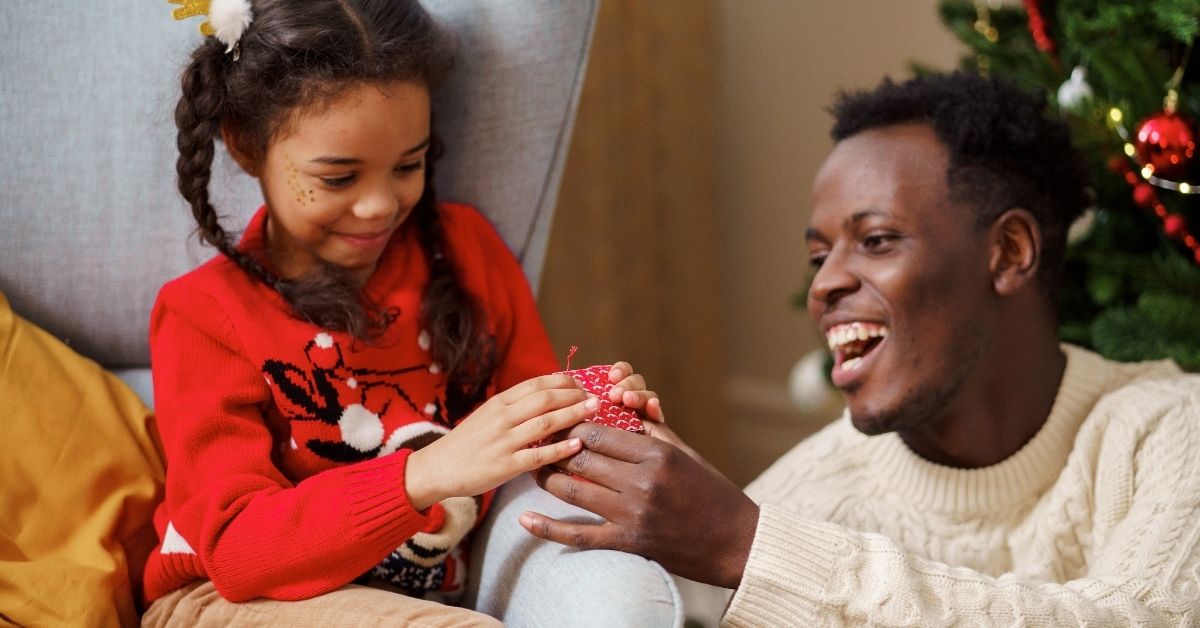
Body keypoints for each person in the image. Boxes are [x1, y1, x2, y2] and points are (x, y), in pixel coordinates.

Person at [521, 71, 1200, 626]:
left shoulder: (1171, 427)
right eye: (819, 257)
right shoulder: (803, 501)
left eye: (875, 240)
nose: (825, 285)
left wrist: (748, 545)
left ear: (1010, 251)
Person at [140, 0, 659, 624]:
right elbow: (236, 550)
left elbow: (529, 430)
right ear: (247, 147)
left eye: (408, 166)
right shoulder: (205, 312)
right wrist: (427, 472)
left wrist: (590, 418)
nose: (380, 206)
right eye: (338, 178)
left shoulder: (466, 251)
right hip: (231, 598)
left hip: (420, 596)